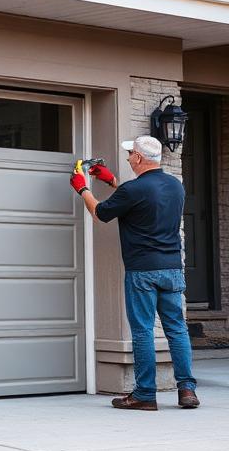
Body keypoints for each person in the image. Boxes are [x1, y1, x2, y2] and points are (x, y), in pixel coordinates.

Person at [70, 135, 198, 411]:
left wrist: (83, 188)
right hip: (172, 268)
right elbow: (142, 202)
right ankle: (187, 390)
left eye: (130, 155)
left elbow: (101, 213)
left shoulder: (133, 190)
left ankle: (144, 395)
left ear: (139, 158)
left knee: (142, 332)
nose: (128, 158)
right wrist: (112, 182)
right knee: (177, 329)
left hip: (142, 271)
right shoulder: (175, 186)